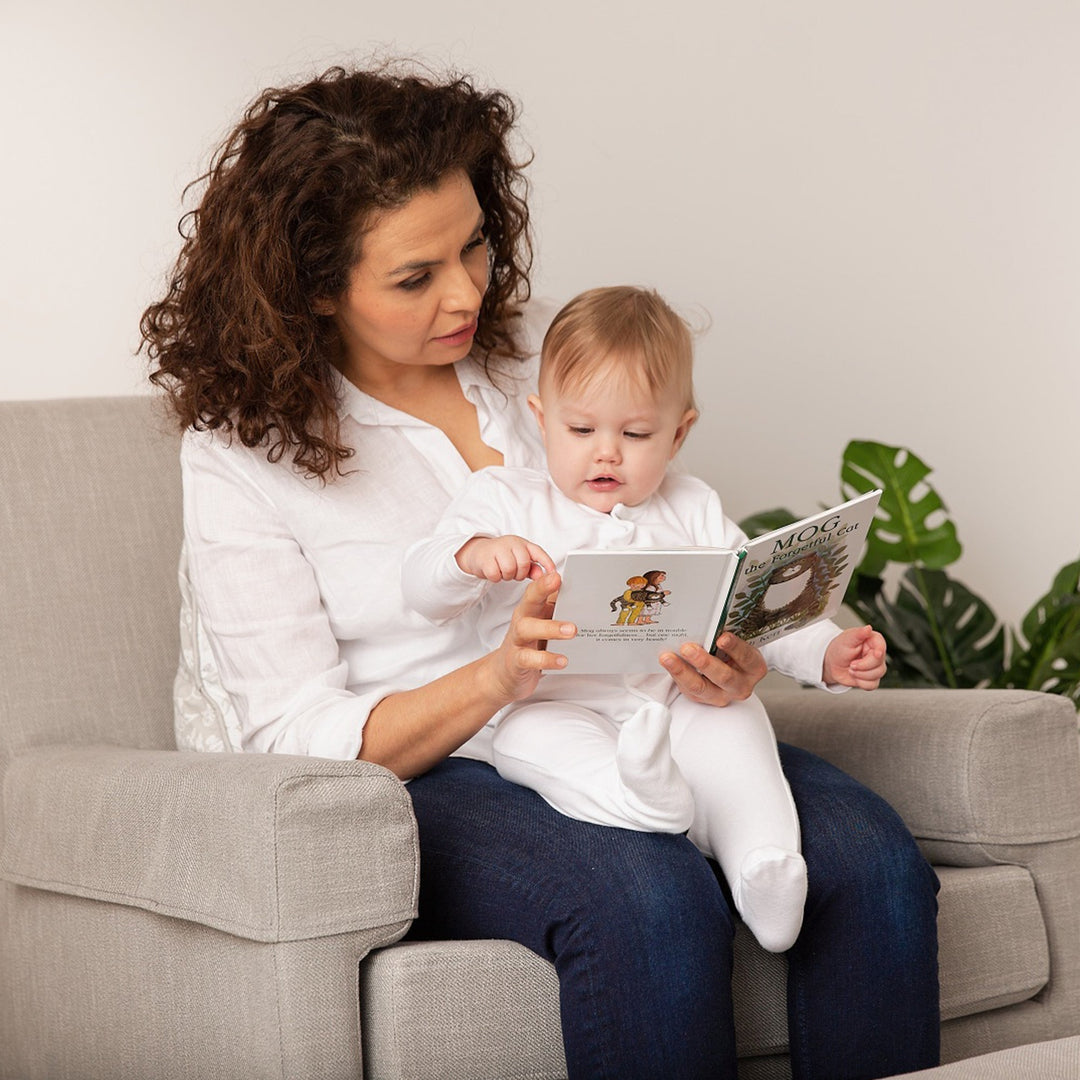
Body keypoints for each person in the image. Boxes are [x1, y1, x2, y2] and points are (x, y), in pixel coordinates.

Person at [140, 62, 940, 1079]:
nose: (468, 290)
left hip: (634, 705)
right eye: (414, 276)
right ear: (312, 286)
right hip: (431, 770)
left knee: (868, 857)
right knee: (644, 891)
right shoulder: (243, 456)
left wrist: (726, 646)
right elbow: (292, 734)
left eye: (473, 242)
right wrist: (493, 680)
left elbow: (667, 538)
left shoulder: (538, 366)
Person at [402, 285, 888, 954]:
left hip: (675, 700)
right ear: (541, 420)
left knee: (738, 730)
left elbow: (753, 606)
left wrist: (829, 653)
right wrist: (470, 557)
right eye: (580, 431)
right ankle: (639, 800)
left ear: (679, 431)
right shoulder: (504, 498)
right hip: (553, 705)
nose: (607, 453)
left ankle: (764, 863)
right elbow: (421, 591)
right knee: (534, 748)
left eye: (635, 435)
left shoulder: (691, 506)